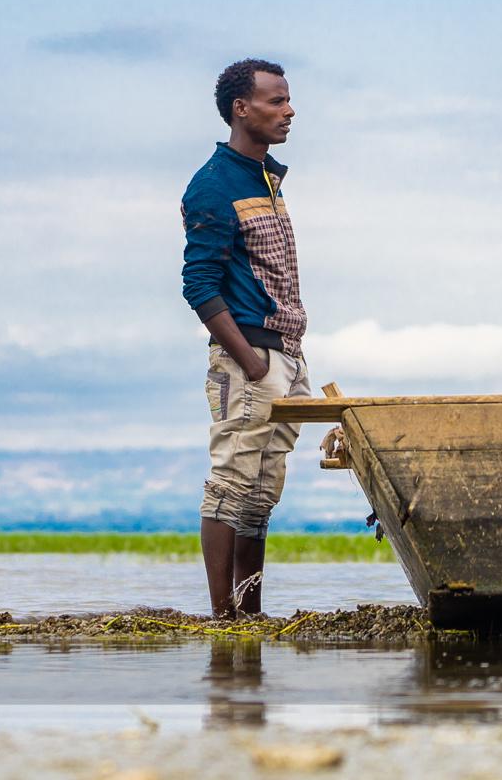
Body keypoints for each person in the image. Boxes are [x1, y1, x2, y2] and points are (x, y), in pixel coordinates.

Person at [180, 58, 311, 618]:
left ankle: (249, 614)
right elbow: (199, 285)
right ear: (242, 108)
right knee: (231, 479)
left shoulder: (266, 178)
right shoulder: (214, 185)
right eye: (275, 101)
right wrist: (251, 365)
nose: (289, 110)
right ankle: (222, 618)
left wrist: (285, 361)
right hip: (248, 358)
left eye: (287, 100)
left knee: (262, 487)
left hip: (286, 352)